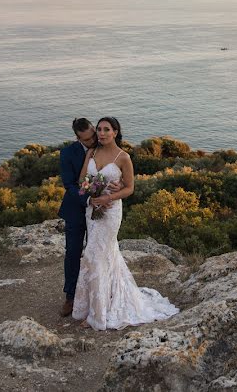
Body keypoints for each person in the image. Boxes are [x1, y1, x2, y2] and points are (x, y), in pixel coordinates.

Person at [71, 117, 179, 330]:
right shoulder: (91, 153)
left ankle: (97, 315)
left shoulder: (123, 158)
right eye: (99, 129)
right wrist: (92, 192)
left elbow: (130, 188)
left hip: (110, 213)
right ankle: (105, 302)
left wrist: (108, 197)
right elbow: (82, 181)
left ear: (115, 132)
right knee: (105, 256)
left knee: (93, 255)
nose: (101, 133)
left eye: (106, 130)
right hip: (92, 209)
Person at [58, 117, 96, 317]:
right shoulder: (67, 153)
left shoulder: (104, 147)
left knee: (95, 252)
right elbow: (69, 185)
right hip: (75, 209)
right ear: (78, 138)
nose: (92, 141)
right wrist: (88, 201)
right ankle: (70, 296)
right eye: (88, 140)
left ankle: (95, 293)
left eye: (93, 136)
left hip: (101, 212)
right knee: (73, 252)